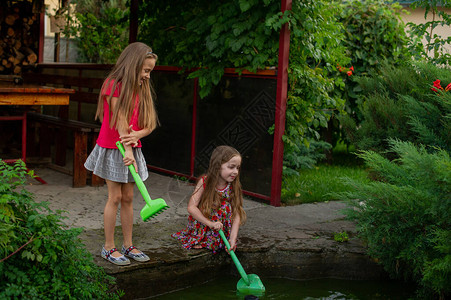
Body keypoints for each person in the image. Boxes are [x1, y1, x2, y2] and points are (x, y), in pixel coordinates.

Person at [84, 42, 159, 266]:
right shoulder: (112, 84)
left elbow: (150, 124)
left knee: (128, 198)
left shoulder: (141, 88)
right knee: (114, 197)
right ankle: (108, 247)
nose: (147, 76)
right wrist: (127, 149)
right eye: (145, 70)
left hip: (131, 148)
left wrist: (138, 136)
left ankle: (128, 245)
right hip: (113, 147)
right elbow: (120, 120)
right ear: (133, 64)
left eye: (149, 72)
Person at [172, 145, 247, 254]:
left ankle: (221, 239)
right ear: (218, 166)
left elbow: (236, 213)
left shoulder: (233, 186)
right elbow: (191, 207)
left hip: (221, 230)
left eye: (238, 168)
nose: (235, 171)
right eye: (231, 167)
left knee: (227, 206)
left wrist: (233, 239)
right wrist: (210, 223)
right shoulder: (204, 182)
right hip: (205, 224)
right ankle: (203, 237)